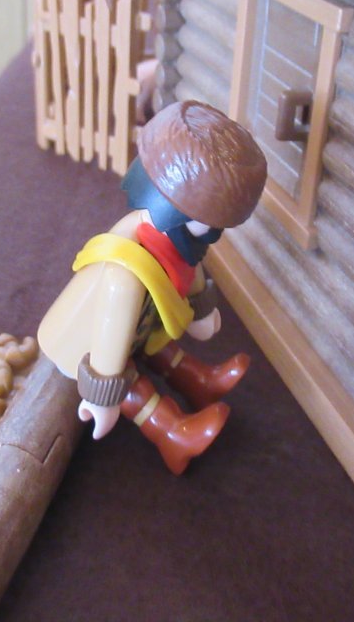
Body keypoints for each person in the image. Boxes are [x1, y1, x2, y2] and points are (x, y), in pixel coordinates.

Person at [37, 100, 267, 474]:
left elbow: (188, 265)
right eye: (211, 221)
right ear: (178, 204)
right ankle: (172, 434)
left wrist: (201, 309)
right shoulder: (124, 275)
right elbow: (109, 346)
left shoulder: (171, 240)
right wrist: (101, 398)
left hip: (137, 330)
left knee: (160, 347)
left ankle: (199, 381)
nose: (215, 232)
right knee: (134, 382)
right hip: (84, 345)